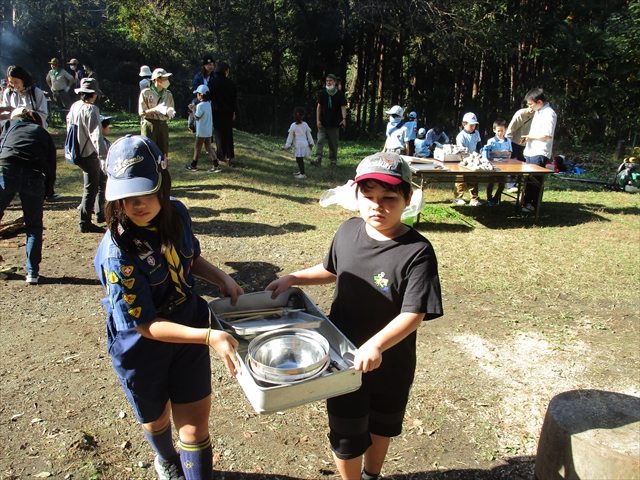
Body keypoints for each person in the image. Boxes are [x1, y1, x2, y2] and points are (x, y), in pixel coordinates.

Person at [266, 152, 443, 480]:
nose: (377, 205)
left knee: (381, 426)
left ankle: (371, 475)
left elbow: (414, 312)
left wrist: (376, 345)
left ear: (408, 198)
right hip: (342, 361)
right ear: (357, 196)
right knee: (346, 435)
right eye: (369, 196)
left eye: (389, 197)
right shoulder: (347, 231)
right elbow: (331, 269)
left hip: (391, 363)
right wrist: (294, 277)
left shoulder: (416, 252)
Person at [94, 134, 243, 480]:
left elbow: (191, 257)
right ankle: (166, 460)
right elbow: (145, 324)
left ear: (163, 182)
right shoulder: (119, 255)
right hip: (144, 345)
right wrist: (209, 337)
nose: (137, 204)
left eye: (145, 192)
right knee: (157, 418)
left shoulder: (176, 211)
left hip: (189, 324)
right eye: (125, 197)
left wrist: (220, 277)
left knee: (193, 427)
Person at [0, 108, 56, 284]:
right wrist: (48, 192)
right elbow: (51, 164)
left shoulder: (8, 125)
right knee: (34, 226)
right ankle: (32, 272)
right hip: (34, 175)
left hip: (7, 170)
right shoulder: (42, 132)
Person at [67, 77, 107, 233]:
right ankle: (85, 222)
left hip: (77, 150)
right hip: (88, 152)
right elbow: (95, 134)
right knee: (91, 188)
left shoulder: (75, 106)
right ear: (93, 94)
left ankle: (100, 213)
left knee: (101, 182)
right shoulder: (91, 109)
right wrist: (102, 155)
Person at [520, 87, 557, 213]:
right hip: (531, 151)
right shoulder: (538, 112)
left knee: (535, 180)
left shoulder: (549, 113)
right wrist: (528, 138)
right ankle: (525, 201)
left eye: (531, 104)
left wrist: (530, 137)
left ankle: (532, 205)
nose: (529, 106)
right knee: (528, 179)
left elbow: (547, 134)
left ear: (539, 102)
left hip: (540, 152)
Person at [139, 68, 175, 162]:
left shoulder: (168, 94)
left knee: (163, 154)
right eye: (165, 79)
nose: (167, 81)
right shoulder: (146, 93)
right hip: (150, 124)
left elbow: (171, 108)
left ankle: (163, 175)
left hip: (163, 125)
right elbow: (141, 112)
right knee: (148, 151)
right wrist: (155, 109)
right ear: (157, 79)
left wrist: (169, 113)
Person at [311, 73, 347, 167]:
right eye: (327, 81)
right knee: (320, 140)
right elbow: (319, 107)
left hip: (334, 123)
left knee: (333, 143)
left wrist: (344, 119)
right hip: (323, 122)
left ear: (335, 82)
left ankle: (333, 161)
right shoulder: (322, 93)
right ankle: (317, 159)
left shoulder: (339, 94)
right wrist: (317, 120)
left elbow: (343, 107)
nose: (328, 82)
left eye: (330, 81)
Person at [185, 85, 221, 173]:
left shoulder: (200, 106)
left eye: (197, 94)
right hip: (208, 130)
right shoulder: (209, 103)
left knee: (197, 147)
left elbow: (196, 117)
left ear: (201, 95)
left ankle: (194, 165)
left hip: (201, 130)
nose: (197, 95)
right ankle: (216, 165)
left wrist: (193, 109)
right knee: (209, 148)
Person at [209, 62, 237, 164]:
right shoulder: (230, 83)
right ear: (226, 71)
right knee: (228, 133)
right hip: (228, 111)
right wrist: (233, 111)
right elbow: (234, 99)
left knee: (219, 134)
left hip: (216, 111)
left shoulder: (212, 82)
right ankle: (230, 155)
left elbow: (210, 97)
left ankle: (221, 156)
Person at [454, 112, 482, 206]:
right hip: (463, 159)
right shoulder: (461, 136)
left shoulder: (476, 133)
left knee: (473, 178)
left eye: (474, 125)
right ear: (464, 124)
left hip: (473, 160)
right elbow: (460, 150)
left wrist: (480, 154)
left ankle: (474, 198)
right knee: (460, 179)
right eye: (471, 125)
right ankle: (458, 197)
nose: (473, 127)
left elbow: (479, 145)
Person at [505, 105, 535, 192]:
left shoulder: (538, 114)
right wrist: (508, 144)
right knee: (514, 163)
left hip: (528, 143)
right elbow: (511, 129)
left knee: (523, 164)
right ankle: (511, 185)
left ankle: (518, 183)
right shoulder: (521, 113)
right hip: (515, 141)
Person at [483, 119, 512, 205]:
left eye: (502, 131)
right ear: (494, 130)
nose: (500, 133)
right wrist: (494, 152)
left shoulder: (508, 141)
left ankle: (496, 198)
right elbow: (486, 152)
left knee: (502, 183)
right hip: (493, 164)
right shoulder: (491, 140)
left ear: (505, 130)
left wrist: (507, 153)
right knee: (491, 182)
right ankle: (489, 198)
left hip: (504, 164)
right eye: (498, 131)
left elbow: (510, 152)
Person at [284, 106, 315, 180]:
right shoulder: (305, 124)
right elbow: (309, 135)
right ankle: (301, 171)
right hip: (304, 145)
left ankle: (303, 174)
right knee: (298, 159)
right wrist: (311, 143)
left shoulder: (293, 126)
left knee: (300, 160)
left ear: (294, 115)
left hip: (298, 146)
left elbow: (290, 136)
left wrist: (287, 145)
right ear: (303, 115)